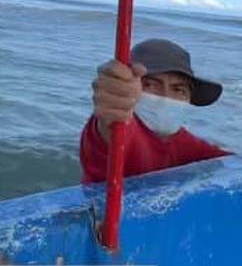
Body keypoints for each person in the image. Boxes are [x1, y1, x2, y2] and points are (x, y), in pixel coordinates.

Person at [80, 38, 230, 183]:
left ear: (189, 98)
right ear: (133, 87)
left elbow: (228, 164)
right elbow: (113, 131)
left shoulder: (182, 140)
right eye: (150, 85)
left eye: (179, 90)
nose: (165, 96)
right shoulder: (119, 128)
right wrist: (114, 110)